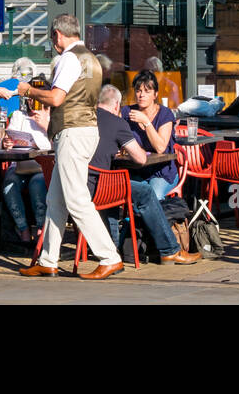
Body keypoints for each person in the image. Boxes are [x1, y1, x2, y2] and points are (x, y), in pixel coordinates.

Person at [16, 14, 124, 279]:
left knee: (76, 199)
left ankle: (109, 256)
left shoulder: (68, 58)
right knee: (55, 200)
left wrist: (27, 90)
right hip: (87, 129)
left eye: (52, 38)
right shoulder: (93, 59)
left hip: (72, 132)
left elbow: (56, 97)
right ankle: (48, 260)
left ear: (57, 35)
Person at [93, 85, 200, 265]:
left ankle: (113, 248)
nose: (141, 95)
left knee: (114, 199)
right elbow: (141, 159)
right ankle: (170, 250)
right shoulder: (116, 122)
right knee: (146, 193)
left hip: (78, 185)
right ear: (117, 105)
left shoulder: (83, 119)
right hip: (101, 184)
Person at [0, 106, 51, 244]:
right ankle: (23, 228)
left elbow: (58, 144)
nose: (32, 100)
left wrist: (46, 126)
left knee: (37, 184)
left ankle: (41, 228)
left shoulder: (53, 115)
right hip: (19, 165)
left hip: (42, 166)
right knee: (9, 184)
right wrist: (6, 143)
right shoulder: (18, 115)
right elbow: (8, 140)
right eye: (29, 96)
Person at [126, 70, 179, 200]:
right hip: (135, 170)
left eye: (147, 91)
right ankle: (134, 220)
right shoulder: (127, 112)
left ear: (155, 94)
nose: (141, 95)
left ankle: (149, 220)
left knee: (152, 198)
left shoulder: (165, 114)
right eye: (138, 90)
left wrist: (146, 122)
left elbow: (160, 148)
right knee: (123, 192)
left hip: (161, 172)